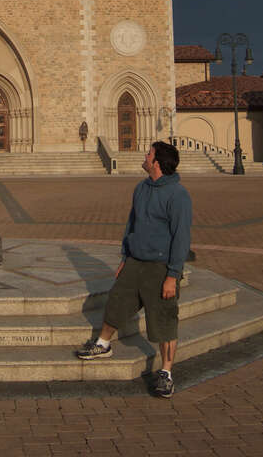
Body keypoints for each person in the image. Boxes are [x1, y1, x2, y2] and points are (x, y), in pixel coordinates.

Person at [76, 140, 192, 398]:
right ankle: (103, 344)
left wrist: (172, 275)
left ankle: (166, 373)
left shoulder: (178, 195)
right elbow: (132, 224)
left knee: (164, 319)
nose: (144, 155)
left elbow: (181, 238)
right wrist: (125, 257)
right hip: (135, 262)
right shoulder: (142, 188)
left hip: (160, 267)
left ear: (157, 162)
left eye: (148, 153)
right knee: (116, 302)